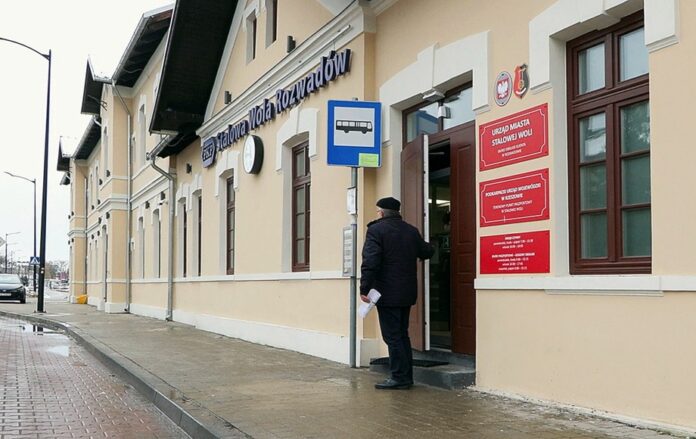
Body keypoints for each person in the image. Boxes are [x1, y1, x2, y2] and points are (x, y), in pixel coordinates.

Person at [360, 196, 434, 389]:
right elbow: (427, 251)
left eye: (378, 211)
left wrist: (364, 288)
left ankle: (399, 378)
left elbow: (370, 261)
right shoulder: (411, 231)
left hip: (387, 293)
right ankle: (405, 377)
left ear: (381, 213)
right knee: (402, 334)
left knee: (392, 337)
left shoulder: (376, 230)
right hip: (406, 292)